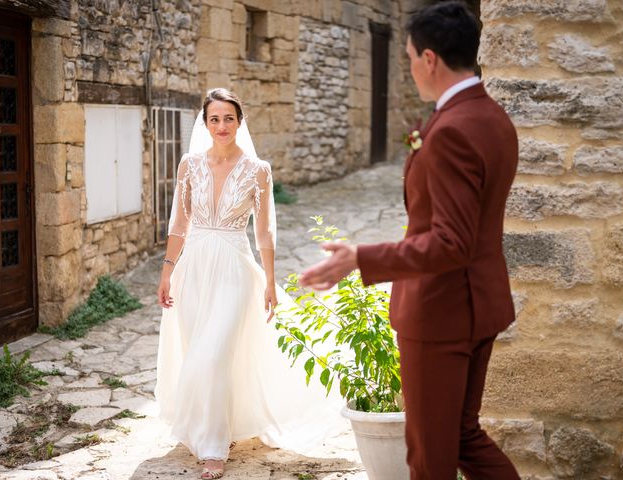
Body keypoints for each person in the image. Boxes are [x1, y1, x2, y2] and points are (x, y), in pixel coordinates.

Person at [300, 2, 521, 479]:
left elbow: (451, 242)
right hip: (479, 302)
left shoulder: (452, 130)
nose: (409, 68)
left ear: (429, 60)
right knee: (463, 436)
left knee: (428, 458)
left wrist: (362, 257)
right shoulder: (493, 117)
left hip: (441, 311)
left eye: (408, 57)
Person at [155, 88, 338, 479]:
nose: (222, 126)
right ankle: (209, 427)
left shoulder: (258, 170)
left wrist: (270, 282)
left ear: (240, 122)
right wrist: (167, 270)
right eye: (214, 119)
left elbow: (266, 232)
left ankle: (213, 448)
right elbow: (178, 225)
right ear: (205, 124)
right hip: (194, 271)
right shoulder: (189, 165)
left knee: (215, 353)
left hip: (236, 271)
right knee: (196, 351)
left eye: (229, 118)